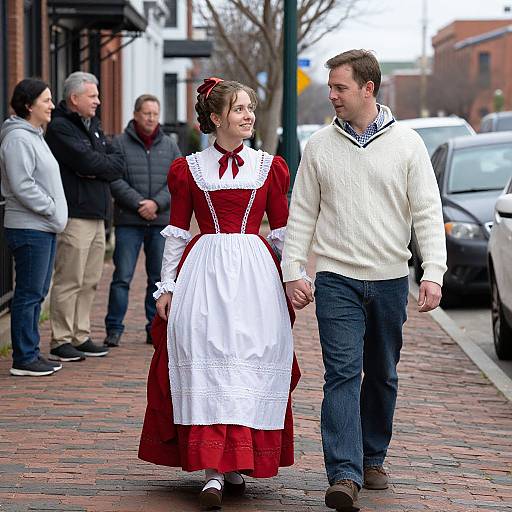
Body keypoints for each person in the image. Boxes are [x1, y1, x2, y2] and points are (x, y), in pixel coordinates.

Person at [282, 50, 447, 511]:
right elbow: (302, 214)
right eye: (331, 87)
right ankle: (344, 474)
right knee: (340, 375)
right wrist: (292, 270)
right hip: (336, 278)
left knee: (382, 374)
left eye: (340, 88)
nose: (331, 95)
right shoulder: (318, 146)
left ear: (368, 89)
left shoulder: (407, 144)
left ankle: (373, 456)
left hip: (392, 279)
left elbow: (427, 213)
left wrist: (432, 272)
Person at [138, 78, 301, 509]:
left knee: (248, 359)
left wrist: (294, 277)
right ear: (216, 118)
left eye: (250, 108)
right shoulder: (189, 168)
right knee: (208, 359)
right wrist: (166, 286)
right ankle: (212, 470)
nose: (248, 116)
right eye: (240, 109)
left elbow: (282, 232)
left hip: (255, 275)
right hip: (205, 271)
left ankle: (236, 463)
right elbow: (175, 232)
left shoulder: (270, 166)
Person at [45, 72, 124, 362]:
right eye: (93, 96)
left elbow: (117, 164)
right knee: (70, 278)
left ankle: (80, 335)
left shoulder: (95, 127)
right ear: (75, 98)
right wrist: (96, 165)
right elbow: (86, 161)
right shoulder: (60, 128)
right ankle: (61, 339)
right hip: (75, 214)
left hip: (97, 214)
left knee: (90, 279)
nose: (99, 101)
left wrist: (97, 166)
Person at [0, 79, 68, 376]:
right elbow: (22, 185)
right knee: (28, 294)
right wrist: (51, 209)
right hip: (29, 228)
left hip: (43, 227)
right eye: (46, 100)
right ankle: (24, 358)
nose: (52, 105)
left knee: (36, 293)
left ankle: (31, 352)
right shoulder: (17, 139)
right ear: (29, 105)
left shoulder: (35, 136)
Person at [103, 94, 181, 348]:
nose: (151, 118)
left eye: (155, 114)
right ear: (136, 114)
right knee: (122, 277)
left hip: (159, 222)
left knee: (157, 280)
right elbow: (114, 178)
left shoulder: (169, 146)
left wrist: (156, 203)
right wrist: (139, 203)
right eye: (146, 113)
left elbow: (178, 181)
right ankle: (114, 328)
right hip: (128, 220)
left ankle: (153, 328)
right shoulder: (119, 143)